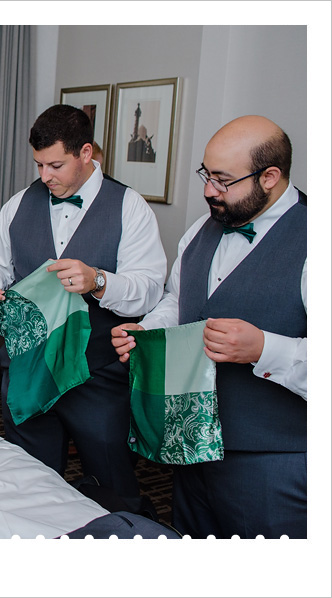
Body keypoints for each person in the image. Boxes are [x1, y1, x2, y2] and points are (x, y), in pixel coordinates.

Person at [111, 115, 306, 539]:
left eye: (222, 180)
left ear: (269, 177)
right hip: (192, 447)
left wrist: (263, 349)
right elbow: (177, 300)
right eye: (206, 174)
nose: (207, 191)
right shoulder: (202, 229)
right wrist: (150, 331)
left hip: (275, 460)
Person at [0, 104, 166, 512]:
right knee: (28, 484)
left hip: (96, 376)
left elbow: (149, 291)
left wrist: (99, 281)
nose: (44, 176)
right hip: (28, 368)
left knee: (113, 486)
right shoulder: (20, 203)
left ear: (86, 153)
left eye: (55, 165)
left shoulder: (130, 207)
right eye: (39, 164)